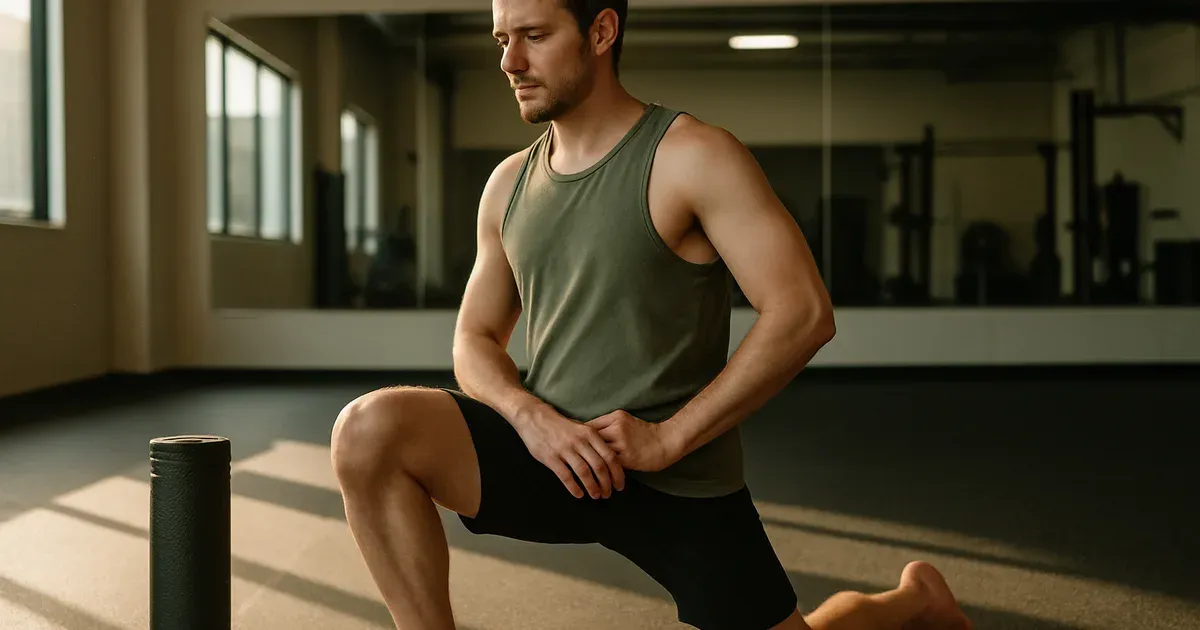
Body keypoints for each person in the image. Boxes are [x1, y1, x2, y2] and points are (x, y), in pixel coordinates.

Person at [330, 0, 973, 628]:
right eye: (502, 40)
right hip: (553, 454)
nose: (511, 61)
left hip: (675, 479)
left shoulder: (693, 155)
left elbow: (803, 313)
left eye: (534, 35)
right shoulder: (507, 185)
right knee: (368, 430)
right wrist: (533, 420)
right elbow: (473, 337)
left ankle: (912, 603)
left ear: (601, 31)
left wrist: (668, 439)